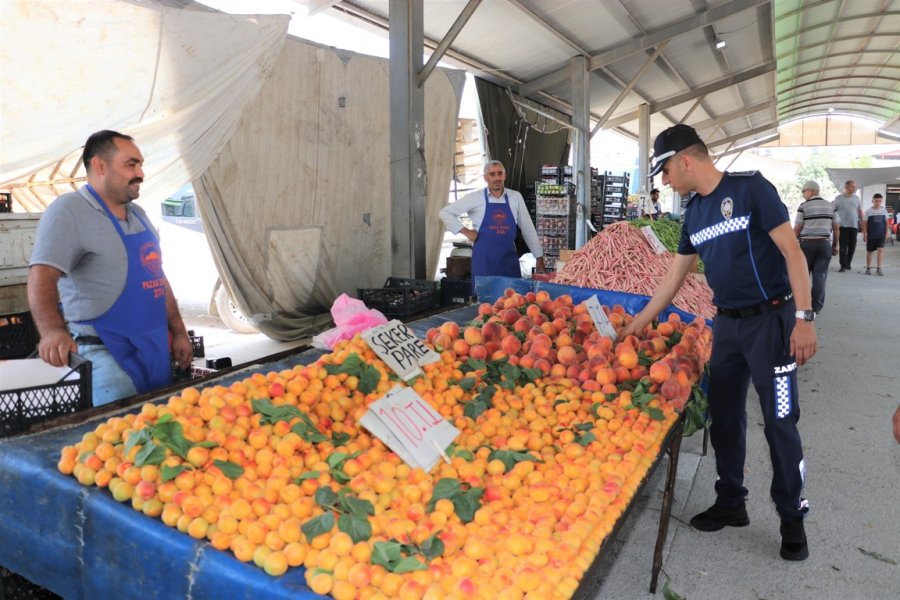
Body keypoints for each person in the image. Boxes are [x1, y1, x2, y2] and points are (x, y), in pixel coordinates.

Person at [621, 124, 816, 561]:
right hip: (726, 327)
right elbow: (674, 277)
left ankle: (792, 516)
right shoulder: (693, 214)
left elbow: (793, 253)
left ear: (685, 160)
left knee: (780, 420)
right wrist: (638, 324)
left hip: (772, 324)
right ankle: (731, 502)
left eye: (666, 170)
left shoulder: (751, 190)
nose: (665, 180)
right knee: (724, 417)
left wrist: (804, 318)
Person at [28, 130, 193, 406]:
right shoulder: (69, 211)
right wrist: (52, 330)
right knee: (119, 430)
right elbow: (41, 275)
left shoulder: (139, 215)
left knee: (159, 428)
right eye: (131, 164)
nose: (140, 173)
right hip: (107, 356)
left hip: (153, 351)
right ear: (100, 166)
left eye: (140, 165)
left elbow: (157, 277)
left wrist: (179, 332)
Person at [439, 160, 544, 291]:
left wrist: (539, 257)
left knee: (512, 300)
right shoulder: (475, 198)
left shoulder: (515, 197)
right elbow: (445, 213)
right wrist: (466, 231)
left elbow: (528, 229)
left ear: (505, 176)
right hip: (484, 263)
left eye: (500, 173)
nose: (497, 178)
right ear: (485, 178)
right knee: (485, 300)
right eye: (492, 174)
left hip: (508, 262)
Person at [793, 180, 839, 313]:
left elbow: (797, 227)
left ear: (810, 191)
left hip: (806, 245)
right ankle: (816, 307)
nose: (803, 195)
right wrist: (835, 245)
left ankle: (803, 305)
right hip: (824, 244)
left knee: (803, 276)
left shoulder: (804, 206)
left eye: (803, 192)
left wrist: (792, 245)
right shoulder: (831, 206)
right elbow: (836, 228)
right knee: (820, 276)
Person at [832, 180, 863, 272]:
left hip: (854, 226)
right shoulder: (838, 198)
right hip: (842, 227)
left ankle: (848, 263)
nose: (854, 188)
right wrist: (833, 223)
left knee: (852, 247)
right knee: (843, 247)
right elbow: (832, 210)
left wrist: (862, 221)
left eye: (855, 187)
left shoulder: (856, 198)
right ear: (846, 187)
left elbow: (859, 211)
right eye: (852, 186)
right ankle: (843, 265)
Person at [862, 193, 888, 276]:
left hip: (881, 234)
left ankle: (879, 269)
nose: (878, 203)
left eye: (880, 201)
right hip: (871, 235)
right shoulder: (868, 211)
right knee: (870, 251)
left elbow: (887, 223)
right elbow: (864, 224)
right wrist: (865, 235)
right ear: (872, 201)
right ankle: (868, 268)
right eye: (876, 201)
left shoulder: (884, 211)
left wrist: (887, 233)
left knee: (881, 250)